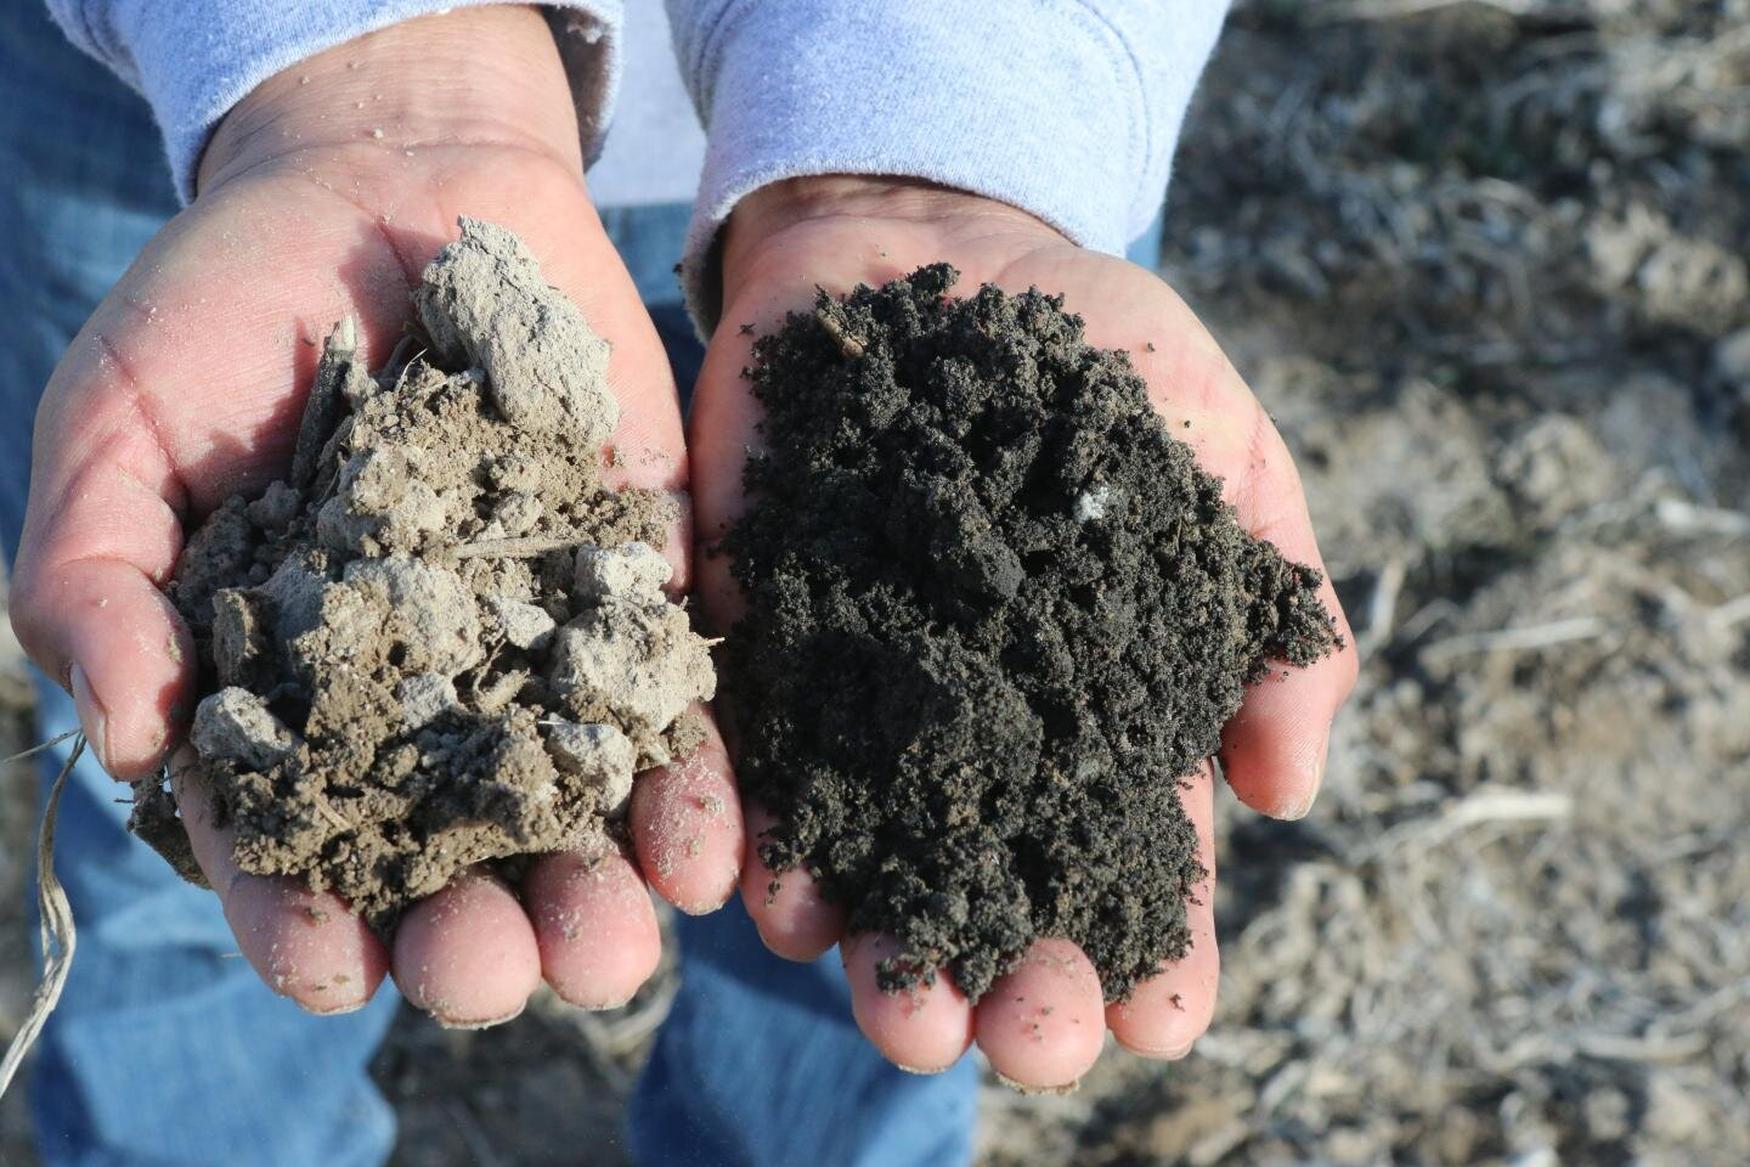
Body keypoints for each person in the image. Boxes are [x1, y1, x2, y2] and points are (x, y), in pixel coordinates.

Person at [0, 2, 1357, 1163]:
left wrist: (945, 119)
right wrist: (351, 59)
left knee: (844, 905)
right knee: (177, 848)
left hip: (975, 108)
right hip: (209, 86)